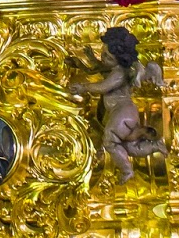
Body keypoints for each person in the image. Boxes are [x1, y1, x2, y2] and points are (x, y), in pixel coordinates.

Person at [70, 27, 166, 182]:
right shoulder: (113, 68)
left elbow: (103, 87)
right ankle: (155, 146)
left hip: (122, 111)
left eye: (108, 57)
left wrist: (84, 87)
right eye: (103, 53)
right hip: (124, 113)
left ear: (121, 60)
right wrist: (87, 59)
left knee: (110, 141)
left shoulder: (119, 73)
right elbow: (98, 67)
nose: (103, 58)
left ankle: (127, 170)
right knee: (128, 146)